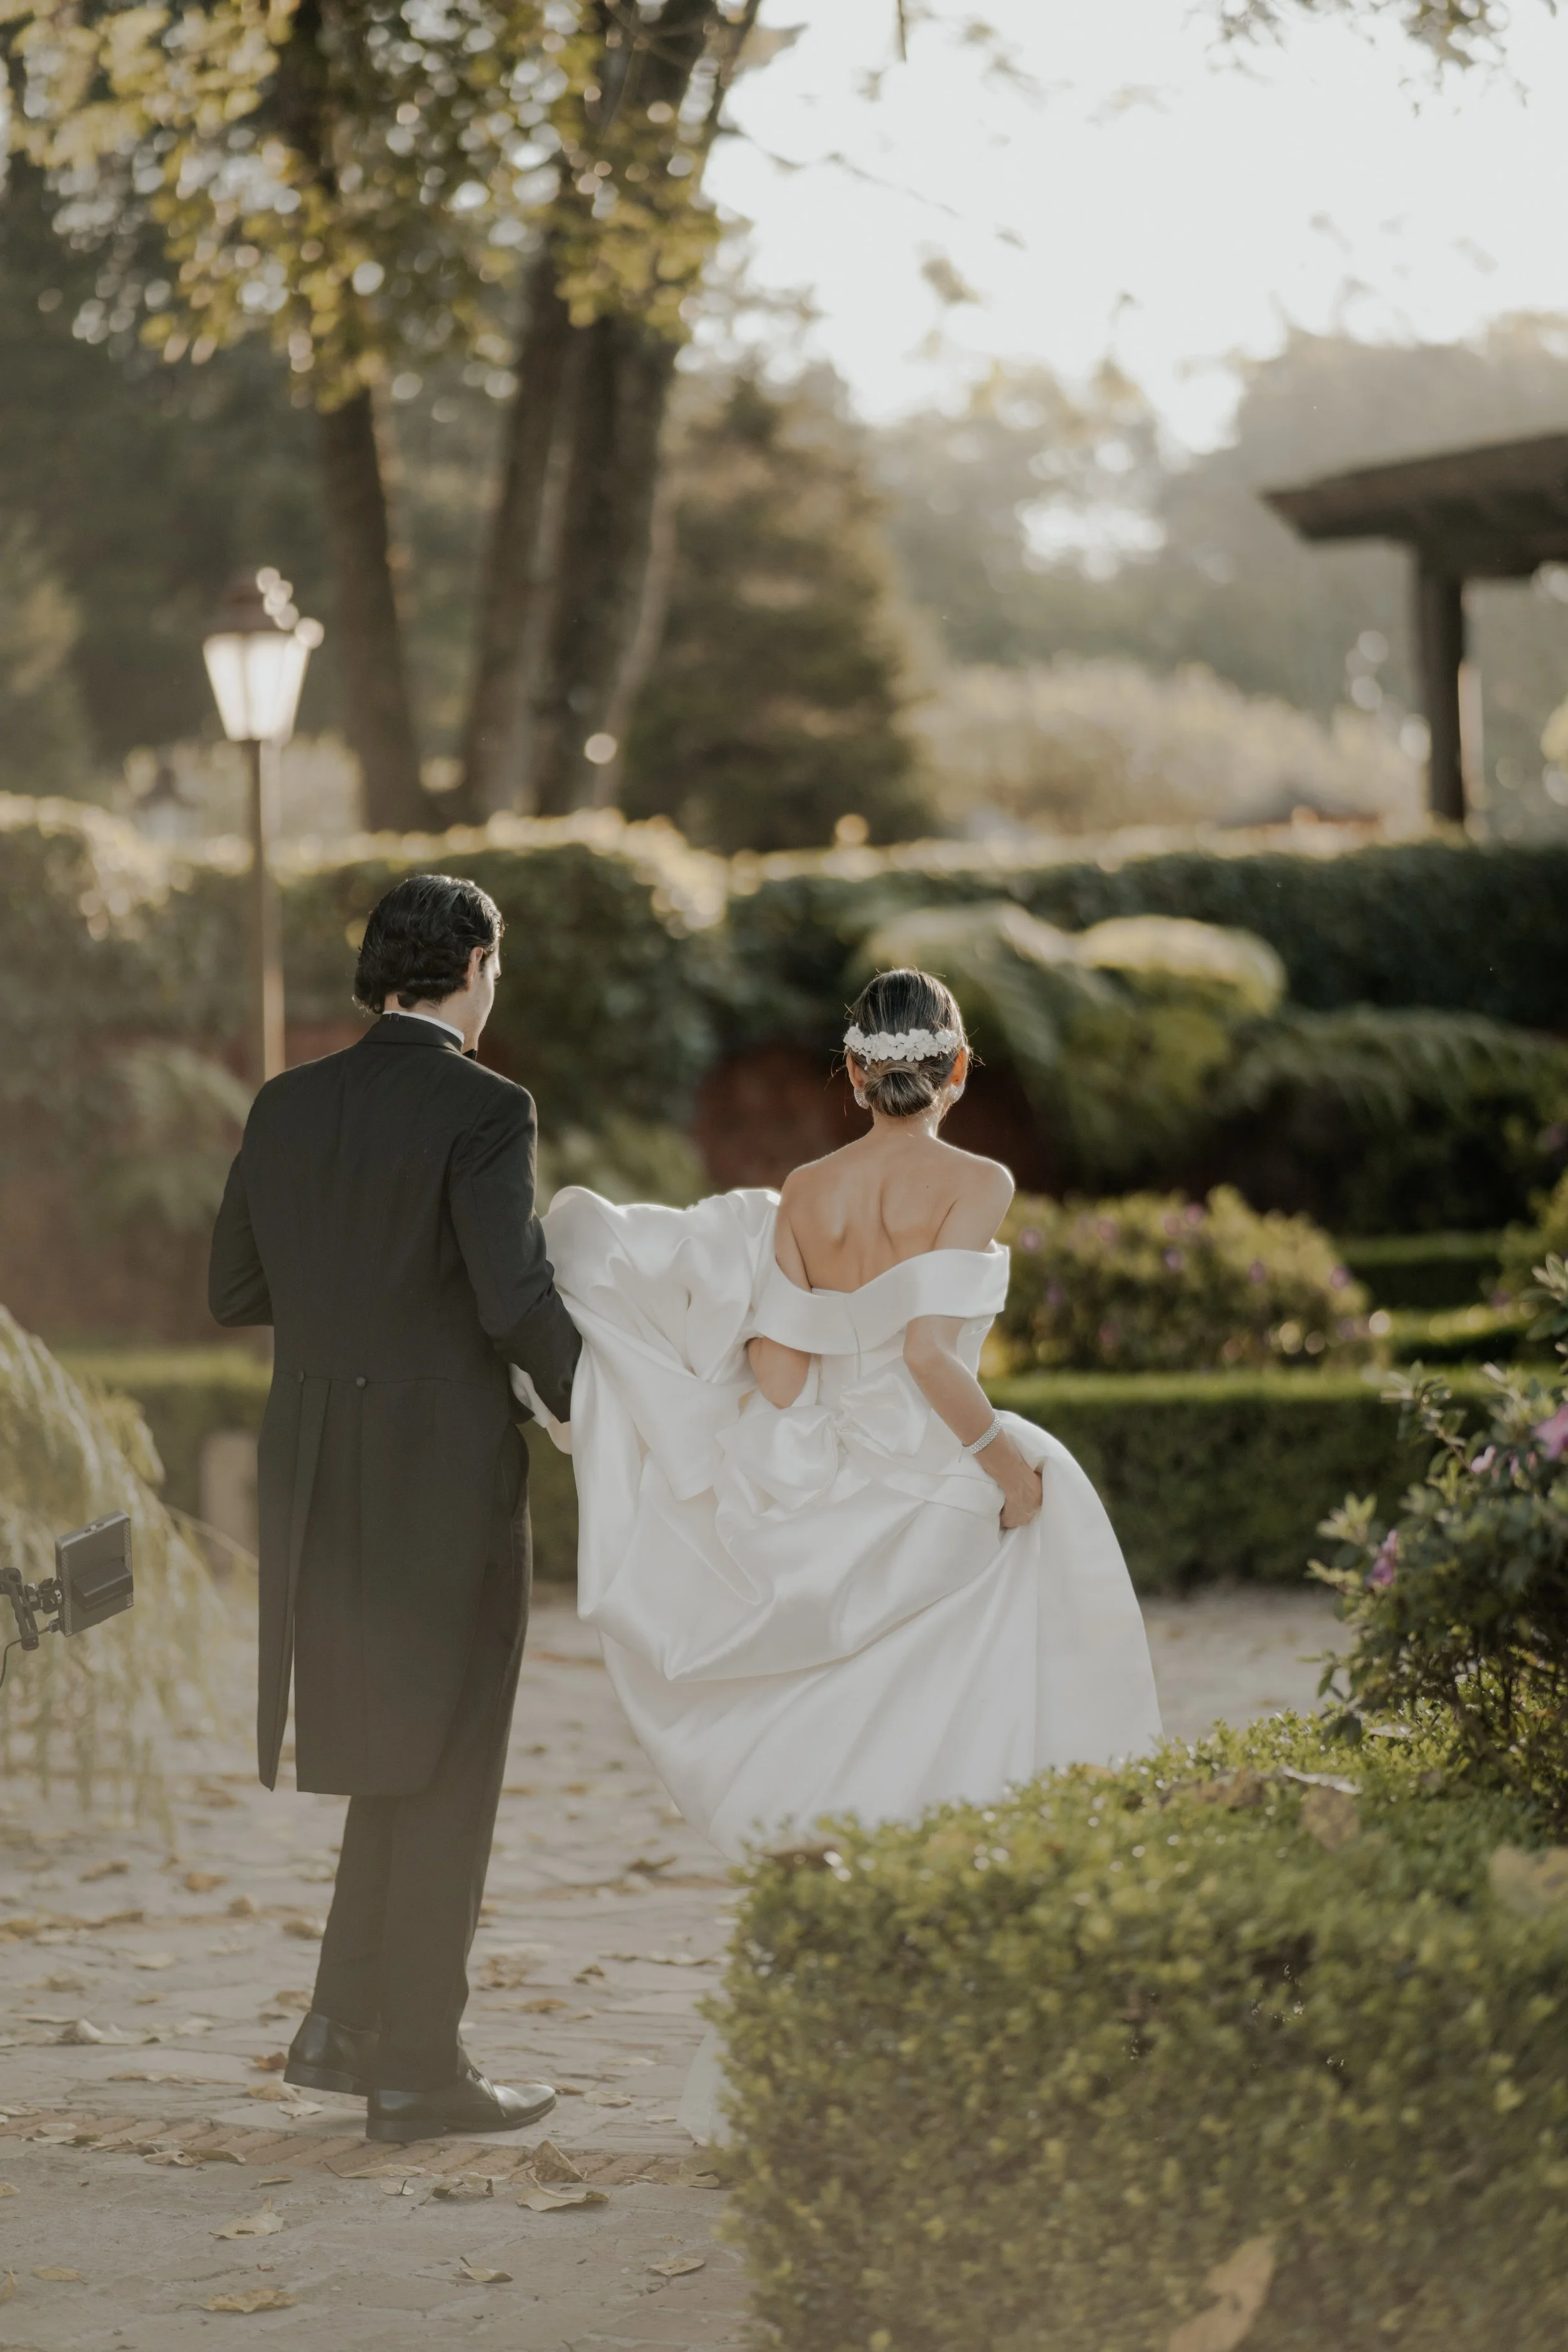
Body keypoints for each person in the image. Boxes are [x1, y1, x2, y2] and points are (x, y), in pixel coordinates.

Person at [515, 966, 1162, 2138]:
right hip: (940, 1490)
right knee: (984, 1741)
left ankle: (825, 2055)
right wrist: (1007, 1475)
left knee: (874, 1769)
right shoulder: (980, 1178)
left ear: (854, 1074)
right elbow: (930, 1355)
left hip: (826, 1491)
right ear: (956, 1069)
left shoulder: (804, 1193)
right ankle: (1013, 2024)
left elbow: (778, 1376)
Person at [208, 872, 580, 2144]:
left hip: (313, 1464)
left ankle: (345, 2023)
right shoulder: (487, 1106)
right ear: (473, 963)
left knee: (389, 1742)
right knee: (449, 1757)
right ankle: (419, 2069)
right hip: (442, 1466)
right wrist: (619, 1409)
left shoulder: (285, 1100)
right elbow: (513, 1299)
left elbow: (234, 1282)